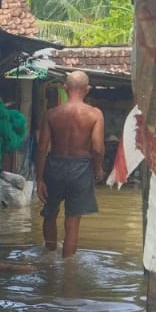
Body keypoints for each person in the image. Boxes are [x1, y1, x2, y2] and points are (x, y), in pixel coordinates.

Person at [35, 70, 104, 257]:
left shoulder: (51, 114)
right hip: (81, 168)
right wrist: (97, 168)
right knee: (72, 222)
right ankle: (68, 267)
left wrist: (39, 178)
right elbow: (98, 148)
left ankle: (49, 259)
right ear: (87, 89)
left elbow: (42, 148)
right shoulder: (95, 114)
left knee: (50, 214)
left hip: (54, 166)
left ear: (65, 88)